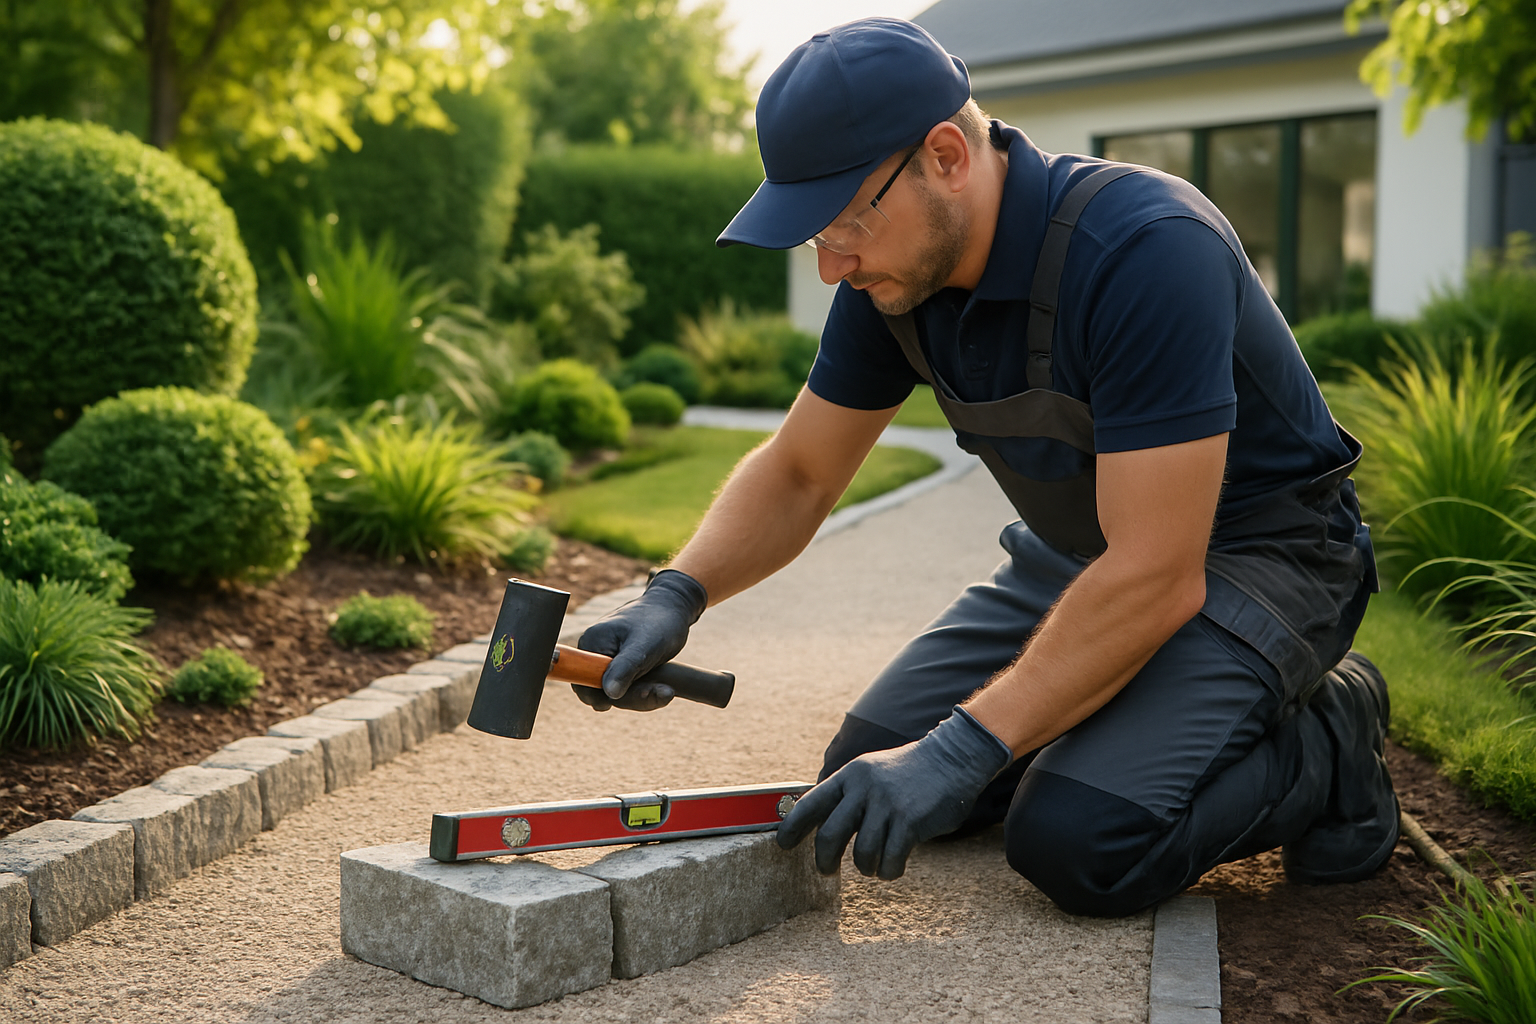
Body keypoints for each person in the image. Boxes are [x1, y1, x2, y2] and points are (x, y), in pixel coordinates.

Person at [574, 17, 1398, 917]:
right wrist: (676, 594)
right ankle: (1106, 716)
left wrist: (966, 749)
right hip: (1083, 560)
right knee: (866, 778)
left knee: (1080, 840)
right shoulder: (892, 279)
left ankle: (1332, 733)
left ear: (945, 156)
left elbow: (1158, 573)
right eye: (816, 233)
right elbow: (802, 471)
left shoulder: (1145, 247)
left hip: (1261, 560)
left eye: (845, 219)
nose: (830, 264)